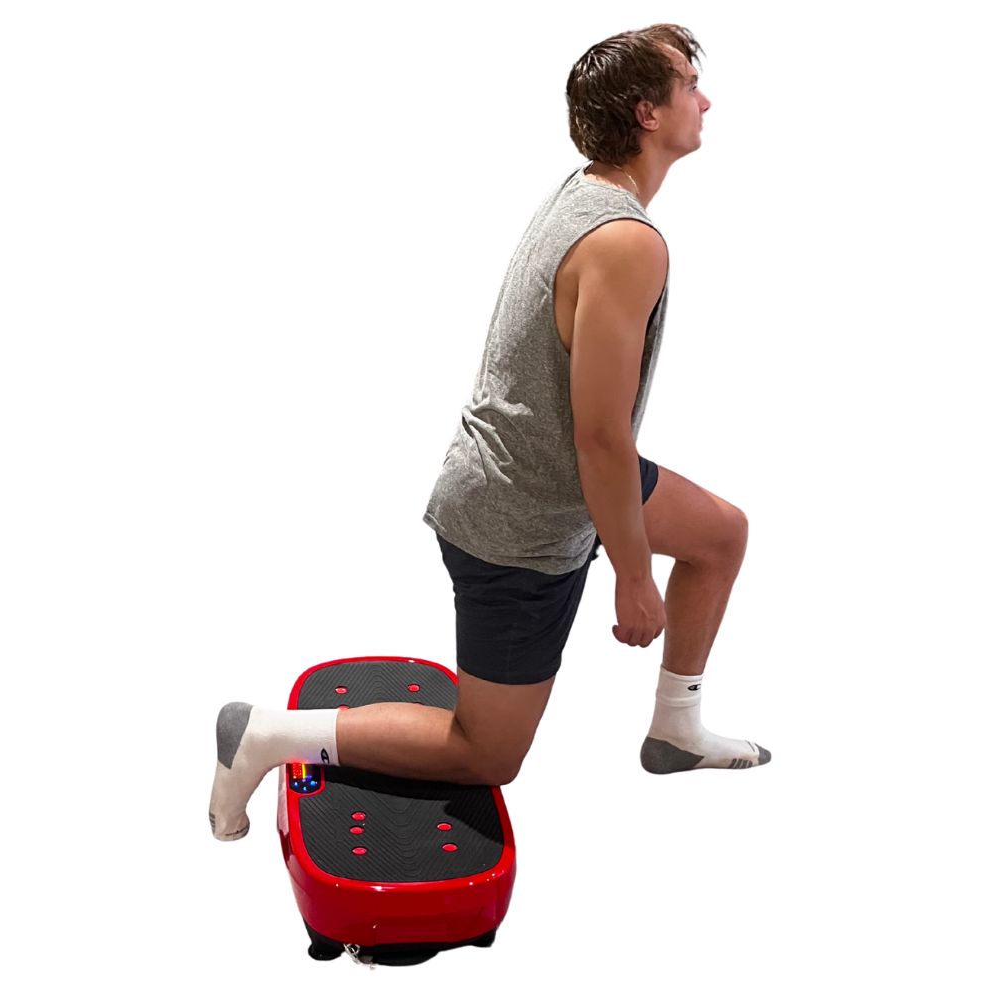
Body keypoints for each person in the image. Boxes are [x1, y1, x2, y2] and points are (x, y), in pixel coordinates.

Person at [208, 22, 769, 842]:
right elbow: (601, 440)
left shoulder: (593, 195)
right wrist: (632, 574)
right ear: (648, 112)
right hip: (519, 519)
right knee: (485, 753)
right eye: (690, 84)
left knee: (719, 536)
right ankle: (266, 735)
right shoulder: (624, 241)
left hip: (546, 477)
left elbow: (594, 440)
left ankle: (674, 730)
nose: (706, 98)